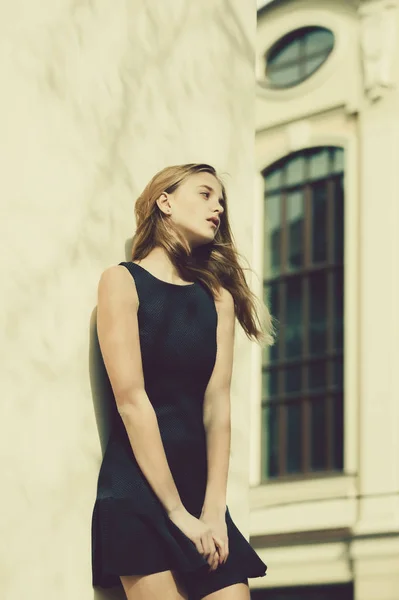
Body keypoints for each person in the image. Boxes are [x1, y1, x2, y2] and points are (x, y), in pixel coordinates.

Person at [91, 163, 274, 600]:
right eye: (206, 194)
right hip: (138, 493)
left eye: (221, 201)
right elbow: (132, 402)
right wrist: (175, 511)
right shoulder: (121, 282)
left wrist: (213, 510)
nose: (218, 207)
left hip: (201, 498)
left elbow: (217, 407)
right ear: (165, 202)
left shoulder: (218, 300)